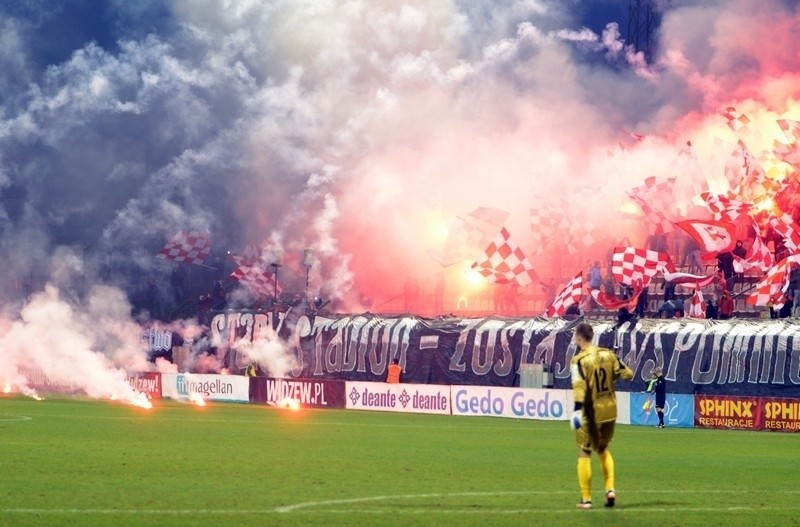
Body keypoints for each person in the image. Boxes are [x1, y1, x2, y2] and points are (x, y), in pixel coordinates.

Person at [570, 322, 634, 509]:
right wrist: (610, 376)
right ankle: (610, 490)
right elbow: (628, 374)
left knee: (585, 451)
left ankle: (586, 499)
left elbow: (579, 387)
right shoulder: (609, 354)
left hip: (592, 413)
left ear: (579, 337)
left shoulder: (578, 361)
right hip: (611, 410)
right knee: (603, 449)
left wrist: (576, 410)